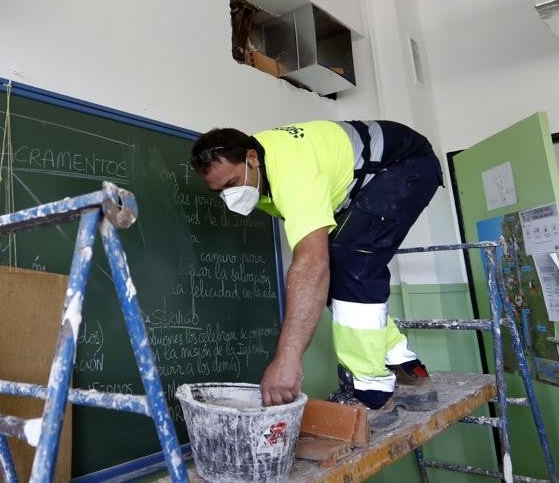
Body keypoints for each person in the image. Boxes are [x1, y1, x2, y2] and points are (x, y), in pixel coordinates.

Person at [189, 120, 443, 432]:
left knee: (353, 264)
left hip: (406, 165)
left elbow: (311, 264)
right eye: (218, 192)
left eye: (230, 184)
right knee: (341, 272)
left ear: (252, 158)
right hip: (369, 181)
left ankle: (373, 395)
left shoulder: (291, 172)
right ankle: (407, 369)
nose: (228, 196)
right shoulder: (263, 180)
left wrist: (287, 360)